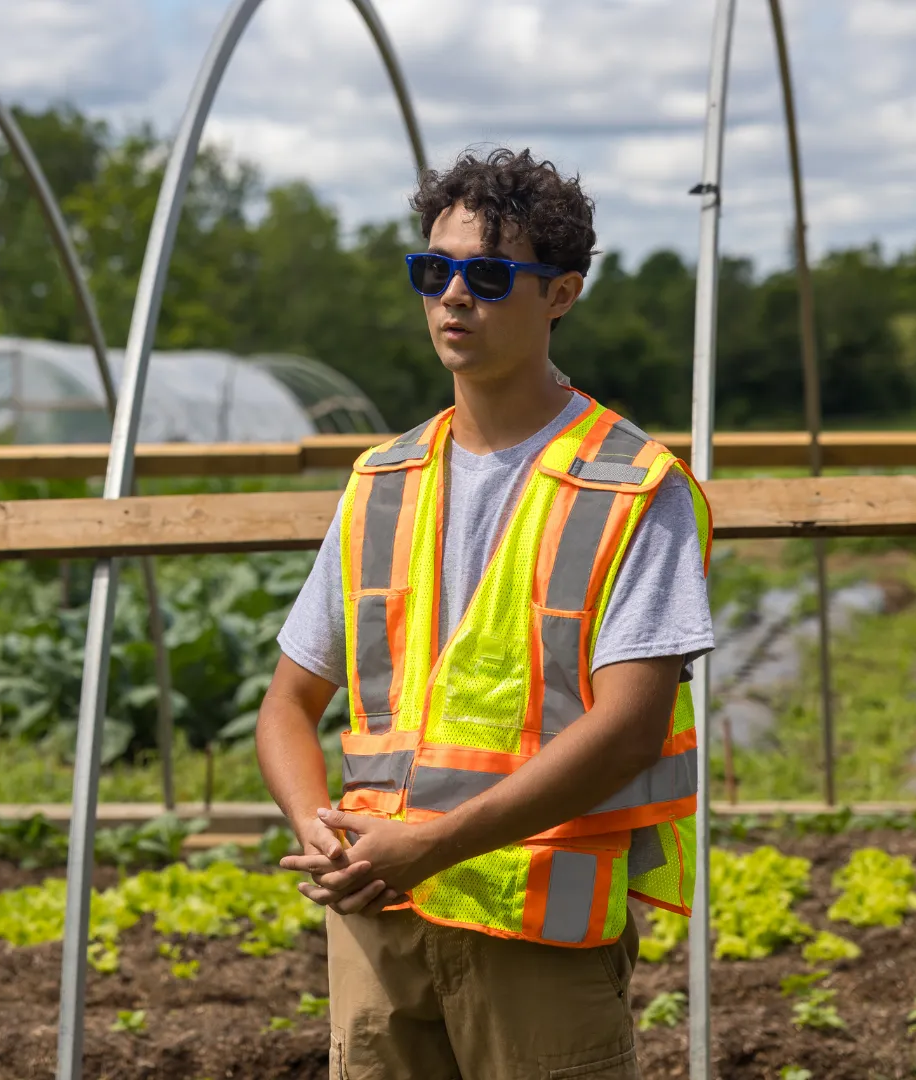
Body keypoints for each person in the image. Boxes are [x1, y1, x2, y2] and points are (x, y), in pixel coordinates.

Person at [256, 147, 714, 1080]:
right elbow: (287, 705)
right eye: (435, 271)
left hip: (536, 930)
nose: (453, 295)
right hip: (379, 923)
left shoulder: (634, 485)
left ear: (562, 294)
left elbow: (630, 730)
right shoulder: (380, 480)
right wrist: (317, 829)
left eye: (489, 275)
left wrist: (432, 846)